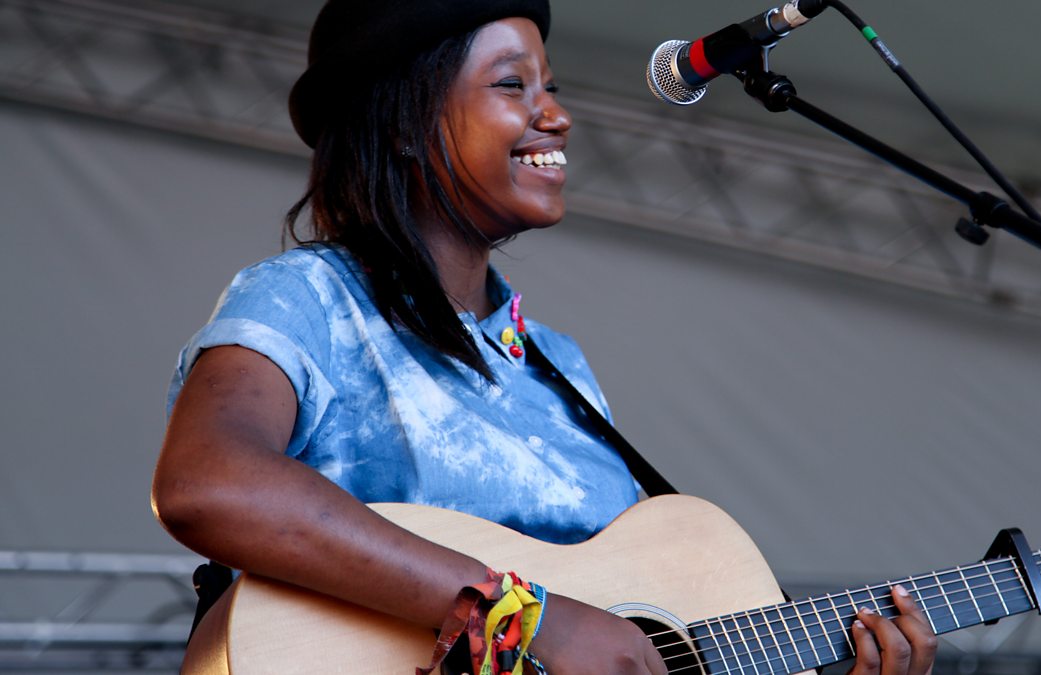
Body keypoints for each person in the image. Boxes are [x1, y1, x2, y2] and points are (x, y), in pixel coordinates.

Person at [151, 1, 937, 673]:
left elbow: (625, 645)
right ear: (404, 123)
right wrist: (525, 615)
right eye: (511, 84)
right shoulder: (310, 297)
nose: (557, 115)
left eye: (551, 87)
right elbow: (209, 484)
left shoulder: (558, 366)